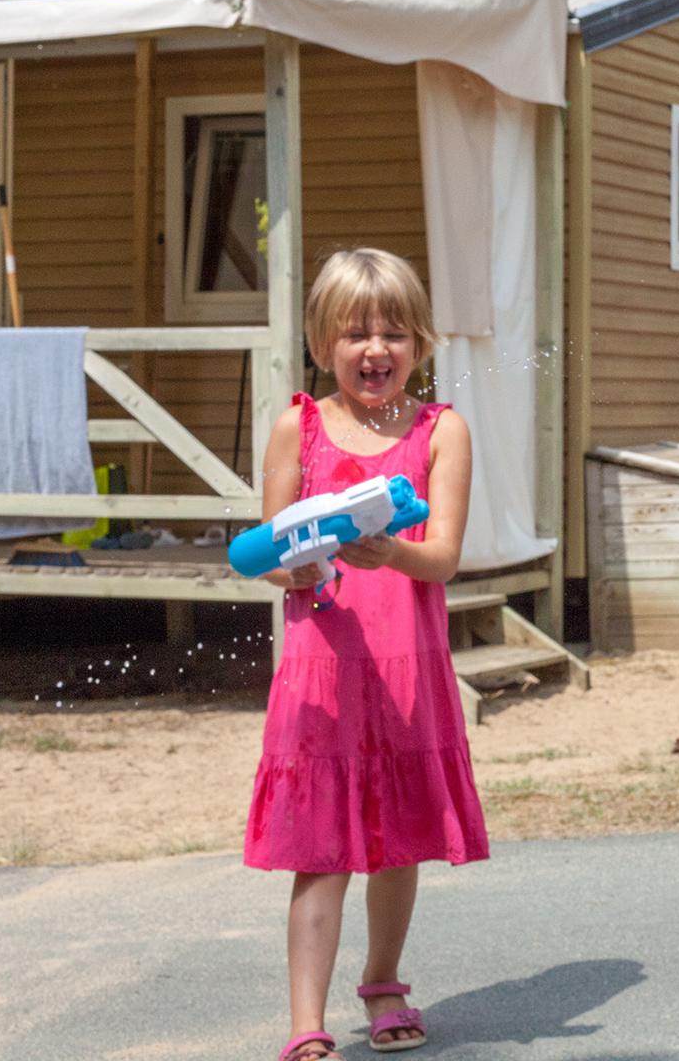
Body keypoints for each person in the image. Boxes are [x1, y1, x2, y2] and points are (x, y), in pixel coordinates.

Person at [246, 248, 486, 1061]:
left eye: (392, 333)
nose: (373, 349)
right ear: (323, 342)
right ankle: (305, 1021)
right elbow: (268, 548)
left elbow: (445, 554)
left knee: (398, 835)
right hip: (321, 668)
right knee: (321, 848)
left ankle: (383, 981)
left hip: (407, 661)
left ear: (418, 343)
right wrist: (300, 563)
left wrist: (392, 554)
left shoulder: (440, 429)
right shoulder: (298, 426)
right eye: (354, 333)